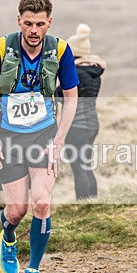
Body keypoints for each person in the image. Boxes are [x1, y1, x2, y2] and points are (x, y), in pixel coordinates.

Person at [0, 0, 79, 273]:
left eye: (40, 24)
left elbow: (72, 97)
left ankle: (33, 270)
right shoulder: (0, 48)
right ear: (19, 21)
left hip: (43, 134)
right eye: (28, 23)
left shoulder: (60, 50)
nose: (33, 30)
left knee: (42, 202)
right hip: (7, 135)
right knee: (17, 209)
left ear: (49, 22)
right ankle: (7, 234)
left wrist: (59, 141)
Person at [57, 23, 106, 200]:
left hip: (75, 126)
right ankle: (93, 201)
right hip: (92, 124)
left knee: (78, 168)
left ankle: (82, 204)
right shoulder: (94, 72)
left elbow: (58, 95)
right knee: (86, 165)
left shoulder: (74, 73)